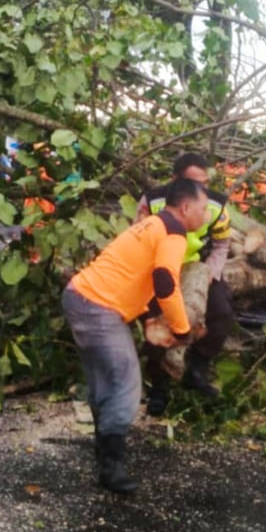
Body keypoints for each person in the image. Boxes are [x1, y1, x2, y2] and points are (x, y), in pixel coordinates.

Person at [62, 178, 209, 493]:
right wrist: (182, 329)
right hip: (98, 306)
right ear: (185, 207)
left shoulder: (151, 224)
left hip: (80, 296)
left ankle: (105, 458)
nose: (206, 216)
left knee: (104, 381)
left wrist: (145, 315)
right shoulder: (173, 232)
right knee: (126, 382)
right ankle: (112, 469)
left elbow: (131, 271)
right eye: (203, 208)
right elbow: (166, 283)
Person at [136, 153, 233, 413]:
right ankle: (159, 385)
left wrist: (210, 274)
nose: (199, 190)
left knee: (221, 313)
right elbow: (140, 238)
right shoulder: (153, 201)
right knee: (156, 318)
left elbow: (222, 244)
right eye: (193, 183)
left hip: (196, 265)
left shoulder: (216, 205)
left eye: (204, 183)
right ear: (176, 180)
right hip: (159, 267)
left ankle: (197, 369)